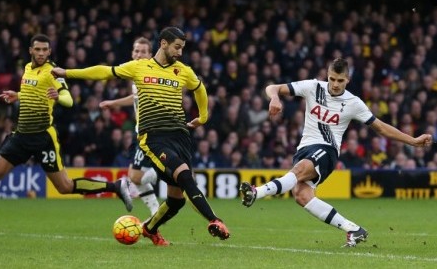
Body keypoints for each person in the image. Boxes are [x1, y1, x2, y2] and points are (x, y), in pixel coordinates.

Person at [51, 27, 230, 246]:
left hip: (180, 137)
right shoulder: (139, 67)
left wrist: (203, 117)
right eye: (177, 47)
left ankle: (149, 229)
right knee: (184, 176)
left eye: (182, 48)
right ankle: (215, 220)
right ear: (163, 43)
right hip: (153, 137)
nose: (180, 52)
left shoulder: (183, 70)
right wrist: (67, 73)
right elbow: (104, 71)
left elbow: (199, 89)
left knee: (176, 200)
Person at [240, 58, 433, 247]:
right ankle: (354, 229)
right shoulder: (312, 87)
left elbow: (381, 128)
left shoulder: (353, 103)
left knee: (298, 171)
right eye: (332, 79)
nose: (335, 84)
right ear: (327, 75)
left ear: (347, 80)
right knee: (302, 196)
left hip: (327, 150)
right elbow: (272, 87)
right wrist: (274, 97)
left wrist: (413, 141)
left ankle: (256, 193)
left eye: (340, 80)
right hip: (304, 148)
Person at [0, 34, 133, 221]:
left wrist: (58, 97)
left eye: (44, 50)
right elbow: (33, 92)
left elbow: (69, 99)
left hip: (43, 138)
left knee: (64, 187)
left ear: (49, 51)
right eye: (37, 49)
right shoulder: (27, 69)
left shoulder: (53, 71)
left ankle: (115, 187)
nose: (41, 53)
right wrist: (18, 95)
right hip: (21, 135)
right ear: (31, 50)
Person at [99, 37, 160, 216]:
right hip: (141, 131)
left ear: (150, 56)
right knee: (134, 177)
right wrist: (114, 103)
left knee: (134, 176)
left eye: (143, 52)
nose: (138, 55)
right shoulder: (137, 77)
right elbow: (135, 98)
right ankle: (155, 212)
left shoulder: (152, 75)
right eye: (136, 51)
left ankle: (167, 173)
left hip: (153, 132)